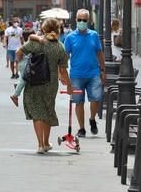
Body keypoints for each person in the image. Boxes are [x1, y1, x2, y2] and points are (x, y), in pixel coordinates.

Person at [16, 18, 71, 153]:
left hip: (35, 81)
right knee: (47, 110)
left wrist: (23, 65)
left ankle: (40, 144)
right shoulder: (60, 47)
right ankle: (46, 143)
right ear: (58, 30)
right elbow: (63, 70)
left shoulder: (36, 43)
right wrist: (69, 85)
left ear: (44, 29)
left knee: (37, 112)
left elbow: (19, 53)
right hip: (51, 83)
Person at [63, 8, 106, 137]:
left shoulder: (94, 35)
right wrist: (62, 74)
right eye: (79, 19)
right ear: (76, 20)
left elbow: (99, 54)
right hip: (76, 75)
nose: (82, 22)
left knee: (96, 99)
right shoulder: (70, 38)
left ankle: (92, 119)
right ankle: (82, 128)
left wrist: (103, 70)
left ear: (88, 21)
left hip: (93, 73)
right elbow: (65, 57)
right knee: (78, 102)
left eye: (84, 20)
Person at [10, 29, 37, 107]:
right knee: (24, 79)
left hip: (22, 63)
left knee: (23, 78)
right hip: (25, 63)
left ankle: (17, 84)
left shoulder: (25, 43)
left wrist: (19, 61)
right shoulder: (29, 44)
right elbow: (18, 52)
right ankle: (15, 95)